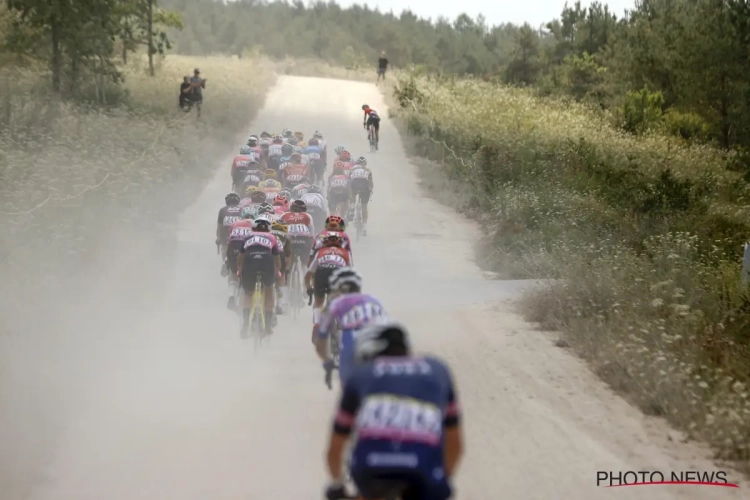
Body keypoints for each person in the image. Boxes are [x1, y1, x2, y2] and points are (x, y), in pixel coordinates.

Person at [323, 321, 464, 500]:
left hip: (371, 472)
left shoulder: (361, 375)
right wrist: (442, 479)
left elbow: (334, 450)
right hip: (426, 474)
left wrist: (338, 485)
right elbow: (456, 445)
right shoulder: (438, 370)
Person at [315, 268, 387, 386]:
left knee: (350, 394)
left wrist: (328, 362)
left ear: (339, 290)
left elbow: (320, 346)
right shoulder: (374, 300)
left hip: (352, 353)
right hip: (384, 350)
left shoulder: (334, 305)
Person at [237, 214, 282, 336]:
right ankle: (267, 325)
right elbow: (277, 259)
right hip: (266, 261)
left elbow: (240, 258)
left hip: (249, 261)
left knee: (248, 292)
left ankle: (246, 324)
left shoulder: (247, 237)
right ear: (269, 228)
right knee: (268, 290)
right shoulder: (272, 237)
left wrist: (239, 271)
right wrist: (277, 272)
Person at [305, 233, 352, 345]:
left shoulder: (320, 252)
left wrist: (309, 288)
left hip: (321, 274)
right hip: (337, 275)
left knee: (318, 302)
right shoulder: (346, 253)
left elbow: (309, 274)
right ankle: (341, 341)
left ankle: (317, 323)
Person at [225, 207, 255, 310]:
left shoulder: (236, 223)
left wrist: (227, 259)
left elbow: (229, 240)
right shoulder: (256, 223)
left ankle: (231, 296)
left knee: (233, 273)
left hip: (234, 245)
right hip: (248, 246)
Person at [281, 199, 316, 277]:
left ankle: (286, 271)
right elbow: (311, 233)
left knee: (285, 258)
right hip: (304, 240)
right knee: (306, 262)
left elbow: (279, 228)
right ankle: (306, 276)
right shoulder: (308, 215)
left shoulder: (284, 215)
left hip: (289, 239)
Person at [216, 193, 242, 271]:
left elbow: (219, 226)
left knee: (224, 248)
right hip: (239, 236)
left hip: (225, 236)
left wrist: (218, 238)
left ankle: (225, 262)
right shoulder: (242, 209)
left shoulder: (222, 210)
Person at [270, 220, 291, 315]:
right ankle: (280, 304)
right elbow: (288, 255)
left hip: (267, 254)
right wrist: (286, 269)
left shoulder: (268, 233)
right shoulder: (286, 237)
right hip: (280, 254)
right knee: (281, 279)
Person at [349, 157, 374, 236]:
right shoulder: (367, 169)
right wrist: (370, 190)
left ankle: (352, 208)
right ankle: (365, 227)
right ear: (365, 164)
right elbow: (370, 182)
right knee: (364, 206)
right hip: (364, 185)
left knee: (352, 192)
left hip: (355, 183)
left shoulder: (352, 169)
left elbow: (349, 180)